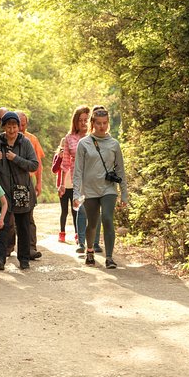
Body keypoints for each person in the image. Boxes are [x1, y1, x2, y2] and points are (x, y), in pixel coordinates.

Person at [72, 107, 128, 269]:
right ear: (92, 123)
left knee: (108, 219)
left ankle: (109, 257)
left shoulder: (114, 144)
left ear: (108, 123)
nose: (102, 126)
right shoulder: (84, 144)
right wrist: (76, 193)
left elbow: (120, 170)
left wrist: (124, 194)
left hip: (108, 189)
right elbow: (78, 171)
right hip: (89, 190)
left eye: (104, 123)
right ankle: (90, 251)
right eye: (98, 123)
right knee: (92, 222)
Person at [0, 111, 39, 270]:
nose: (12, 130)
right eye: (8, 126)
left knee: (23, 226)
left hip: (22, 190)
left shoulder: (26, 142)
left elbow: (34, 164)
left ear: (19, 127)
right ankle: (0, 259)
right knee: (2, 225)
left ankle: (24, 259)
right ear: (3, 127)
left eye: (15, 126)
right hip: (3, 191)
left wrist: (15, 158)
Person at [62, 105, 101, 254]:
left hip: (95, 178)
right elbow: (65, 163)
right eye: (80, 120)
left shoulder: (95, 136)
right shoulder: (69, 138)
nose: (83, 123)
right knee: (82, 209)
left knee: (95, 211)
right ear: (76, 121)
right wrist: (61, 185)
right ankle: (81, 242)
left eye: (86, 120)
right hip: (77, 178)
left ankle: (96, 243)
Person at [16, 110, 44, 260]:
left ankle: (31, 248)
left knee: (29, 216)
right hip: (11, 181)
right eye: (18, 124)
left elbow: (38, 163)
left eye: (24, 124)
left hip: (27, 180)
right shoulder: (6, 138)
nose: (21, 128)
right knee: (10, 218)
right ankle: (8, 248)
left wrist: (39, 183)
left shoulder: (32, 139)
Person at [52, 137, 71, 242]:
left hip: (73, 186)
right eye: (63, 147)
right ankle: (62, 233)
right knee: (64, 211)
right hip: (62, 187)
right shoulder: (58, 156)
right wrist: (59, 158)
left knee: (75, 211)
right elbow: (54, 170)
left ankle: (78, 235)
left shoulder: (73, 155)